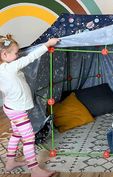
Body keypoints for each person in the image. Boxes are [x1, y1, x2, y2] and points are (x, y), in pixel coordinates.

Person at [0, 34, 60, 177]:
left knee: (16, 134)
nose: (18, 55)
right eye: (15, 53)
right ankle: (35, 170)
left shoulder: (3, 69)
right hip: (18, 110)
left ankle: (10, 162)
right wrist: (47, 44)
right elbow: (30, 58)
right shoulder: (10, 68)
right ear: (4, 54)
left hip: (10, 108)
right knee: (29, 138)